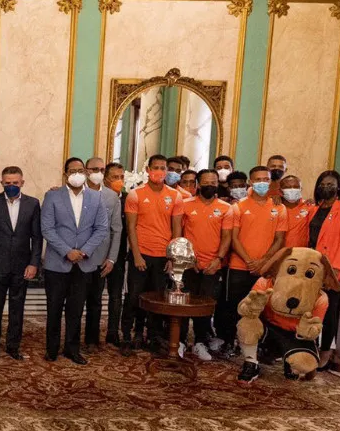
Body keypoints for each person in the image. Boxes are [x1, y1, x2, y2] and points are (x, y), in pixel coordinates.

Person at [41, 157, 110, 364]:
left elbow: (101, 229)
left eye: (80, 170)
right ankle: (52, 349)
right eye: (72, 170)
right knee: (54, 308)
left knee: (76, 310)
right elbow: (47, 228)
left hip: (84, 263)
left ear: (86, 173)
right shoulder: (52, 196)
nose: (77, 174)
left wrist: (84, 251)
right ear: (65, 174)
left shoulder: (97, 199)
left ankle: (72, 348)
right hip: (57, 263)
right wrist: (67, 251)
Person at [219, 165, 287, 355]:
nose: (262, 183)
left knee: (263, 309)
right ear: (251, 182)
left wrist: (264, 261)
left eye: (265, 179)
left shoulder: (278, 207)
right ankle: (229, 342)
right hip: (239, 266)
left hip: (266, 268)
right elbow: (234, 238)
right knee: (235, 306)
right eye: (258, 180)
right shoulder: (238, 207)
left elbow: (280, 239)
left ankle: (260, 346)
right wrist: (249, 261)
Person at [121, 154, 184, 356]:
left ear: (167, 171)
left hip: (163, 256)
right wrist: (137, 255)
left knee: (157, 298)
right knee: (134, 297)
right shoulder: (135, 194)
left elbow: (176, 229)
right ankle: (130, 334)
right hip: (141, 254)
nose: (159, 171)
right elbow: (131, 228)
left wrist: (172, 258)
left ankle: (153, 335)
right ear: (148, 170)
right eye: (155, 167)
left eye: (163, 167)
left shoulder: (175, 196)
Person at [0, 165, 42, 360]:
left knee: (17, 307)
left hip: (22, 265)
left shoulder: (32, 203)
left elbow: (37, 237)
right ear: (2, 183)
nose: (11, 186)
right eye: (8, 183)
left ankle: (13, 346)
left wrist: (34, 263)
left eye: (15, 183)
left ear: (22, 183)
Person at [179, 169, 232, 360]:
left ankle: (200, 341)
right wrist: (187, 257)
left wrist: (218, 259)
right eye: (206, 182)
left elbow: (227, 237)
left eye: (214, 182)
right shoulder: (184, 205)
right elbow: (179, 234)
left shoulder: (226, 208)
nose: (210, 185)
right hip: (188, 264)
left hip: (213, 265)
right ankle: (181, 341)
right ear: (198, 184)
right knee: (184, 303)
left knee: (205, 305)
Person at [309, 170, 340, 370]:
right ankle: (309, 347)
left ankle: (326, 350)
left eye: (331, 184)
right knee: (312, 309)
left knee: (330, 312)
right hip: (313, 267)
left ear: (339, 187)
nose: (326, 188)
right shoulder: (314, 208)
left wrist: (333, 271)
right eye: (322, 184)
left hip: (333, 269)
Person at [81, 158, 121, 352]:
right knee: (75, 301)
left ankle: (91, 340)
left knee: (96, 302)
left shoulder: (112, 197)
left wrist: (111, 258)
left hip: (100, 258)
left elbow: (117, 230)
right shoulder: (76, 192)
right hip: (77, 257)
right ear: (86, 171)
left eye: (101, 169)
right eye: (94, 169)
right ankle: (71, 339)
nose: (97, 172)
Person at [99, 162, 131, 345]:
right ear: (105, 180)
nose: (119, 181)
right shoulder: (97, 197)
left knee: (116, 295)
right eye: (115, 177)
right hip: (97, 253)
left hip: (118, 255)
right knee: (94, 295)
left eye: (121, 177)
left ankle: (113, 331)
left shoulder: (129, 199)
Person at [280, 175, 311, 248]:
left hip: (301, 254)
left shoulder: (309, 207)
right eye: (287, 187)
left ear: (301, 189)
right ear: (280, 191)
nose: (292, 190)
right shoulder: (276, 208)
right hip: (278, 254)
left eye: (296, 187)